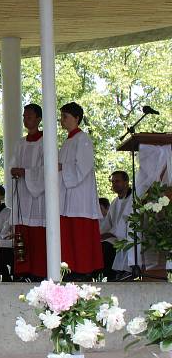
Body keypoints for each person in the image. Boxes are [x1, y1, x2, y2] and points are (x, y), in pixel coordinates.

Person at [58, 102, 103, 278]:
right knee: (69, 236)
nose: (62, 120)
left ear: (76, 118)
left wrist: (62, 167)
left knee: (80, 236)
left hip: (80, 196)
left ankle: (83, 271)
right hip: (68, 195)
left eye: (65, 117)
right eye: (61, 117)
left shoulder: (82, 139)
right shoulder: (68, 140)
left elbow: (83, 167)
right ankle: (70, 270)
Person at [8, 103, 47, 280]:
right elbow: (12, 164)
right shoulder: (20, 143)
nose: (25, 119)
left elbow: (47, 169)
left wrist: (26, 173)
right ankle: (22, 271)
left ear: (38, 118)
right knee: (22, 232)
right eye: (24, 116)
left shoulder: (46, 142)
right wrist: (14, 171)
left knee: (38, 235)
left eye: (29, 116)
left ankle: (39, 272)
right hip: (22, 194)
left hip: (38, 196)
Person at [101, 171, 135, 280]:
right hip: (115, 236)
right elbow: (107, 223)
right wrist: (101, 234)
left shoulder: (133, 198)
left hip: (128, 237)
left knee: (107, 246)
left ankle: (114, 276)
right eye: (113, 181)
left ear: (126, 182)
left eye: (117, 181)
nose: (114, 184)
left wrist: (110, 234)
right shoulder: (115, 202)